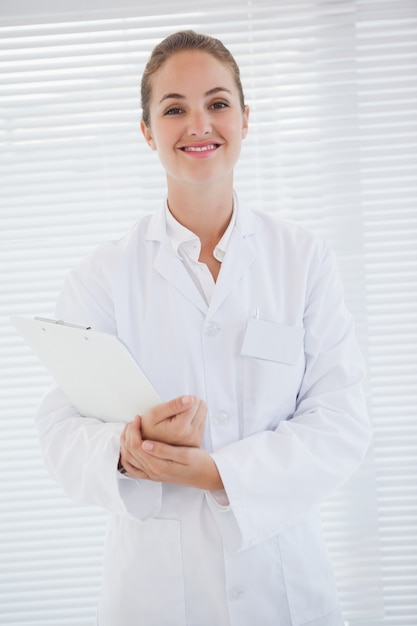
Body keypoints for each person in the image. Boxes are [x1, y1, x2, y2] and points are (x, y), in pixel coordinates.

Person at [36, 30, 372, 626]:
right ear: (147, 131)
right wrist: (125, 450)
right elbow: (63, 425)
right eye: (174, 109)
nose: (200, 125)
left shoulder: (303, 258)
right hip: (154, 593)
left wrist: (219, 473)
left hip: (283, 584)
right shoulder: (104, 274)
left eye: (218, 104)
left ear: (246, 119)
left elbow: (341, 420)